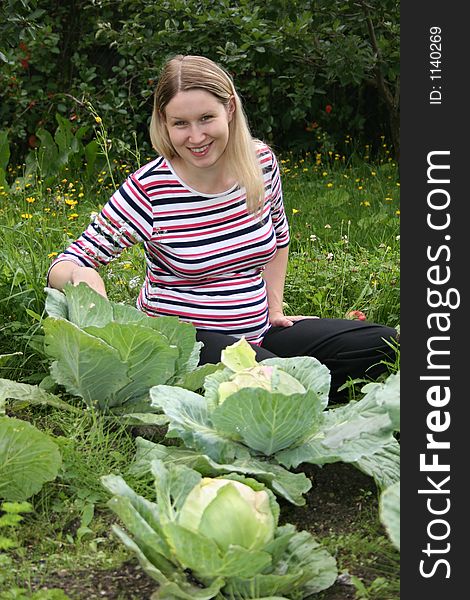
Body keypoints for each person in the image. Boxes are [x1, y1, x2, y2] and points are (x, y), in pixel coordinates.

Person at [47, 54, 398, 402]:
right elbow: (66, 263)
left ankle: (290, 394)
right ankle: (274, 395)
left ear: (229, 109)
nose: (196, 136)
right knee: (276, 382)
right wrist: (82, 277)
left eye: (206, 118)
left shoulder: (259, 162)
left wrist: (274, 308)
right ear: (164, 123)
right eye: (180, 123)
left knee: (383, 344)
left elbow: (279, 239)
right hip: (184, 345)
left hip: (258, 332)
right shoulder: (151, 189)